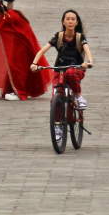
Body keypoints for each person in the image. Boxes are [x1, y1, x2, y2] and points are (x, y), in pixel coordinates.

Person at [31, 10, 95, 144]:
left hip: (76, 69)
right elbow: (42, 50)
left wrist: (88, 62)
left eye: (73, 19)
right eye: (68, 19)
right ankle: (58, 126)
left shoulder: (79, 37)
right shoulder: (58, 37)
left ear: (76, 22)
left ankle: (77, 96)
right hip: (59, 70)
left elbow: (88, 51)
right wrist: (34, 63)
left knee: (70, 73)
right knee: (55, 97)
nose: (70, 21)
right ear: (63, 22)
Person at [0, 0, 49, 101]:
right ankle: (14, 89)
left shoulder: (7, 17)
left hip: (22, 45)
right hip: (18, 44)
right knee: (13, 66)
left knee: (16, 67)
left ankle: (19, 91)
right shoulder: (3, 16)